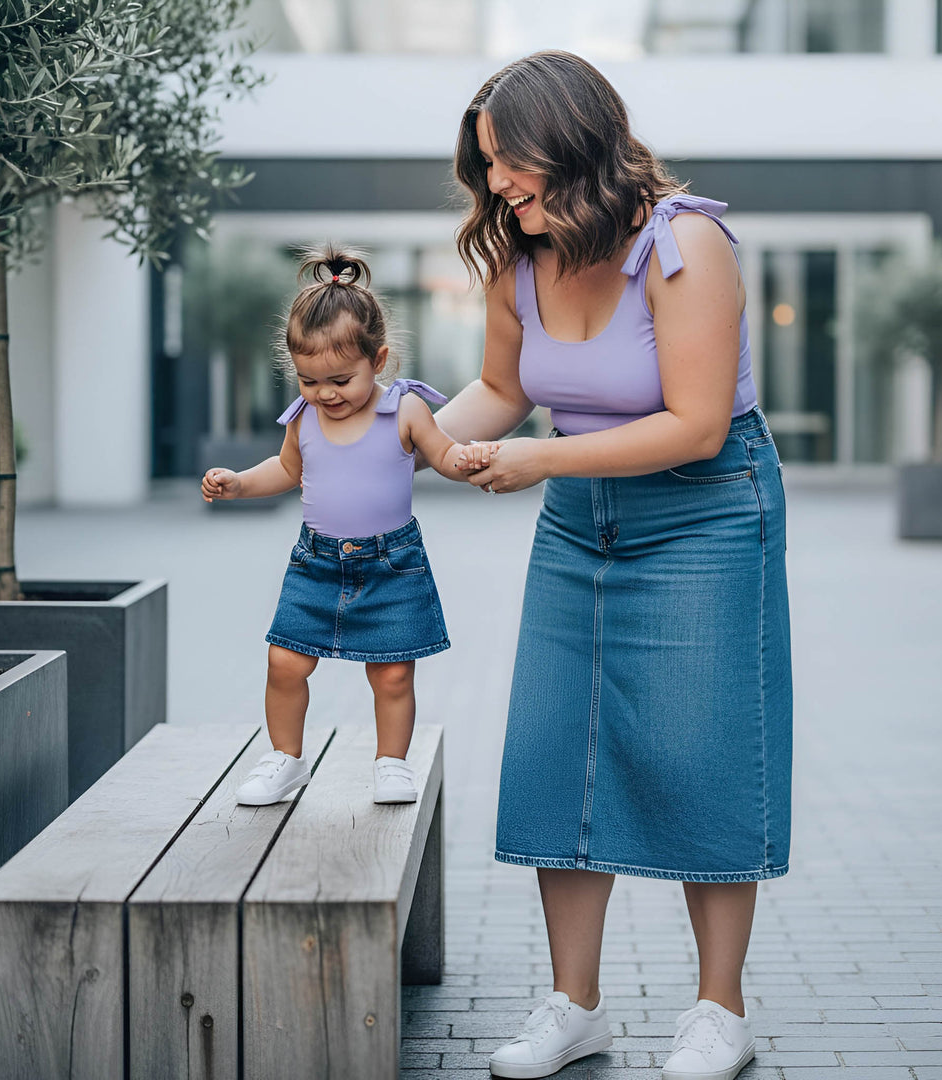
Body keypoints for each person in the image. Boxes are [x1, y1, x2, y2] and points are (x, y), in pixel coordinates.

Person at [432, 52, 793, 1080]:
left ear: (574, 139)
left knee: (700, 749)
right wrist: (411, 441)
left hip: (703, 514)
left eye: (509, 163)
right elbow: (501, 392)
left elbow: (693, 426)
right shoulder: (521, 259)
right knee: (559, 744)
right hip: (582, 520)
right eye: (488, 167)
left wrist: (538, 458)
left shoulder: (685, 243)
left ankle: (719, 1011)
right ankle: (572, 1005)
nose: (497, 186)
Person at [201, 248, 499, 806]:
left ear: (378, 359)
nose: (326, 393)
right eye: (310, 381)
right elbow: (287, 470)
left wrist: (472, 461)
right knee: (285, 661)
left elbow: (443, 454)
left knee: (391, 675)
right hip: (316, 562)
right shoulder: (303, 417)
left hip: (391, 562)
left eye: (340, 378)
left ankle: (391, 764)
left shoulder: (404, 411)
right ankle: (286, 758)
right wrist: (240, 483)